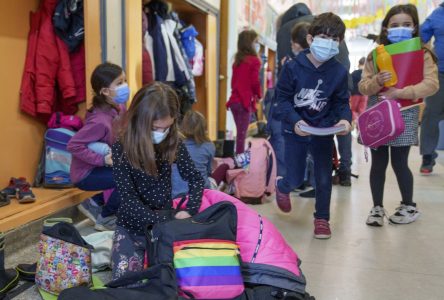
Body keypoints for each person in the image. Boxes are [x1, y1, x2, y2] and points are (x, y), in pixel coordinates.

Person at [111, 82, 204, 280]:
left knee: (171, 280)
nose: (161, 134)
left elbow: (195, 178)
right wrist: (165, 219)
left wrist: (190, 210)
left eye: (167, 127)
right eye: (155, 128)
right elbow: (128, 200)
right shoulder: (122, 147)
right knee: (125, 281)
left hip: (164, 225)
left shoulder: (173, 141)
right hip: (132, 226)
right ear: (139, 121)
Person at [359, 4, 439, 226]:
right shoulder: (375, 55)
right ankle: (376, 208)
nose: (400, 29)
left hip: (406, 112)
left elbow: (431, 84)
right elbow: (363, 86)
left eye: (406, 24)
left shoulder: (422, 54)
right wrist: (377, 82)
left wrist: (401, 92)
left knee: (400, 162)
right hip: (379, 114)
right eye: (394, 25)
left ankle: (408, 205)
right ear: (385, 29)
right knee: (378, 163)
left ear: (414, 28)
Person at [274, 13, 352, 239]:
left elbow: (341, 102)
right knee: (296, 177)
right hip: (296, 129)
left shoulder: (338, 71)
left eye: (335, 39)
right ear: (310, 39)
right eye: (324, 37)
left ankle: (322, 219)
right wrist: (294, 121)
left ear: (340, 43)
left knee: (324, 177)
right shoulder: (292, 68)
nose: (329, 43)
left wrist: (345, 119)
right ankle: (283, 187)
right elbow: (283, 101)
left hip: (323, 131)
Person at [277, 3, 354, 187]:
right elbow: (345, 60)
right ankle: (344, 170)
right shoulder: (329, 27)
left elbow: (285, 71)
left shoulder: (285, 29)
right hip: (338, 80)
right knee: (342, 126)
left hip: (310, 88)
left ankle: (305, 178)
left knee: (305, 127)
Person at [67, 62, 128, 231]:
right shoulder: (99, 121)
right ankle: (106, 217)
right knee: (127, 178)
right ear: (105, 91)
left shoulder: (120, 107)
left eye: (124, 80)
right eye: (119, 83)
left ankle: (94, 203)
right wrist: (102, 160)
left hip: (106, 165)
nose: (125, 86)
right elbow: (73, 145)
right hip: (86, 174)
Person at [268, 22, 310, 179]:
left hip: (288, 114)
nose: (291, 46)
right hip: (305, 114)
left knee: (283, 145)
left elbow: (283, 91)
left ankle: (285, 177)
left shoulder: (292, 64)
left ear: (298, 44)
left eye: (292, 43)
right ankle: (302, 177)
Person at [226, 29, 262, 154]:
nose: (258, 45)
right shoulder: (254, 60)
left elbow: (233, 83)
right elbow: (254, 82)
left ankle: (239, 156)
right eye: (256, 42)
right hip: (244, 101)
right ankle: (239, 161)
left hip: (234, 101)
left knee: (240, 132)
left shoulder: (238, 60)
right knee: (242, 134)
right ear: (249, 43)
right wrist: (259, 95)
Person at [419, 2, 444, 174]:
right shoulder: (437, 14)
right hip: (440, 73)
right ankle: (427, 156)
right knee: (431, 115)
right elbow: (420, 38)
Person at [171, 110, 216, 198]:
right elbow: (208, 171)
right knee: (221, 169)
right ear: (204, 127)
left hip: (176, 193)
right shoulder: (209, 146)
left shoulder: (174, 144)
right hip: (201, 191)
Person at [349, 57, 368, 122]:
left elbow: (350, 85)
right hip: (365, 95)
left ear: (359, 64)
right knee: (362, 111)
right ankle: (361, 125)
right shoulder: (367, 74)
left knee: (353, 110)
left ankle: (355, 122)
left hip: (355, 94)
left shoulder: (354, 73)